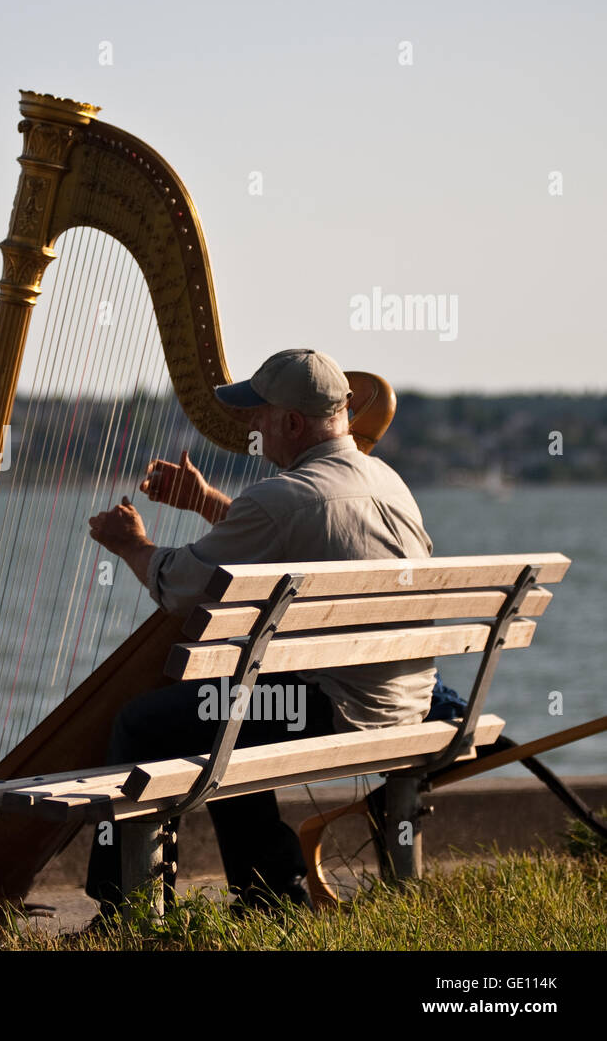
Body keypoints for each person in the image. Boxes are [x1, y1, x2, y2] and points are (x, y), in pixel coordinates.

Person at [84, 348, 436, 915]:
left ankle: (121, 910)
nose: (250, 424)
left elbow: (181, 585)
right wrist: (205, 502)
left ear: (292, 423)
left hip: (336, 707)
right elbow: (286, 544)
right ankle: (268, 893)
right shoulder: (388, 481)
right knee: (228, 708)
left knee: (143, 724)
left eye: (258, 412)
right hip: (406, 703)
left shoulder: (283, 497)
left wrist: (132, 545)